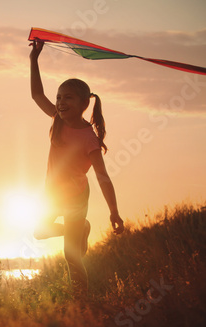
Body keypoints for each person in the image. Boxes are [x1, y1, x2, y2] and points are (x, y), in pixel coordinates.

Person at [29, 39, 124, 296]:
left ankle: (82, 301)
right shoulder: (57, 121)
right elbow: (37, 95)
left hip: (76, 197)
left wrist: (114, 212)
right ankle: (82, 228)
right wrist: (34, 60)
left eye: (67, 98)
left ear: (83, 103)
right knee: (39, 232)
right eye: (59, 97)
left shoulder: (88, 138)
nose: (60, 102)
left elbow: (103, 177)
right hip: (53, 194)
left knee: (71, 254)